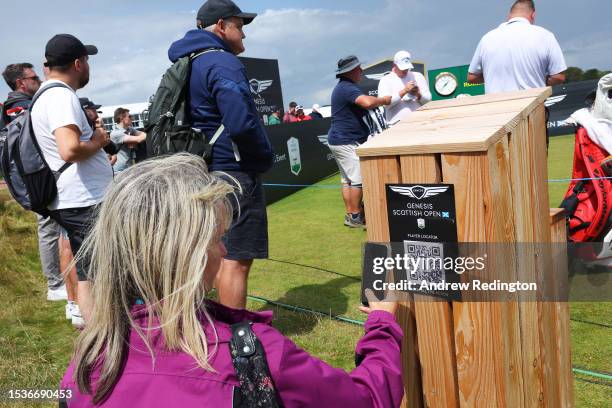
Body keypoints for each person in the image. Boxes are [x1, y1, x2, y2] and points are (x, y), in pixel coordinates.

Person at [60, 154, 403, 407]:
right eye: (215, 238)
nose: (224, 250)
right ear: (186, 254)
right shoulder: (253, 355)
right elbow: (366, 399)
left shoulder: (86, 363)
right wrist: (383, 323)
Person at [168, 0, 274, 309]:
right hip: (234, 172)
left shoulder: (189, 60)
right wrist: (264, 157)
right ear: (220, 26)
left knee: (214, 252)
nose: (243, 35)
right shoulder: (222, 61)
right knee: (236, 260)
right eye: (239, 27)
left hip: (204, 169)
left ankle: (212, 326)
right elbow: (241, 123)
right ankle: (237, 337)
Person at [31, 34, 113, 323]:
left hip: (74, 199)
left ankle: (93, 329)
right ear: (78, 63)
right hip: (82, 199)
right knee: (100, 271)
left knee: (90, 270)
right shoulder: (61, 96)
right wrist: (100, 141)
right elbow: (69, 149)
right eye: (87, 61)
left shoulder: (47, 95)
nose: (88, 67)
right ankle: (101, 333)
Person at [2, 63, 69, 303]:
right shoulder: (17, 107)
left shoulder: (26, 103)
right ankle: (55, 283)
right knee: (48, 229)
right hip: (36, 178)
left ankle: (61, 278)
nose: (39, 80)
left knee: (55, 227)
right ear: (21, 82)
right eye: (33, 77)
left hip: (39, 175)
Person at [328, 55, 391, 228]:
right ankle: (356, 216)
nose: (361, 71)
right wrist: (383, 100)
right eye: (358, 68)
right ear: (350, 71)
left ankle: (351, 215)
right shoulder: (347, 88)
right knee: (357, 180)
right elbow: (367, 102)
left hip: (340, 139)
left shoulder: (344, 87)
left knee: (347, 180)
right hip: (346, 140)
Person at [467, 0, 567, 93]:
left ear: (509, 15)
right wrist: (539, 80)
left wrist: (495, 78)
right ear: (533, 15)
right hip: (531, 104)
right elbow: (558, 77)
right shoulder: (545, 36)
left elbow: (472, 78)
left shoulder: (487, 38)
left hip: (496, 107)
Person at [377, 51, 432, 124]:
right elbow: (384, 103)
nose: (405, 70)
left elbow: (428, 100)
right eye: (402, 68)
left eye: (407, 68)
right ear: (394, 65)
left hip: (419, 122)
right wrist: (404, 91)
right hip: (396, 125)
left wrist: (418, 94)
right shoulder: (385, 80)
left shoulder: (418, 76)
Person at [110, 107, 146, 172]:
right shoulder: (116, 133)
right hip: (119, 170)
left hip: (129, 167)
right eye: (129, 116)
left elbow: (144, 134)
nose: (132, 118)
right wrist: (135, 140)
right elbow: (139, 139)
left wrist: (134, 140)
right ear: (121, 118)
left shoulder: (129, 129)